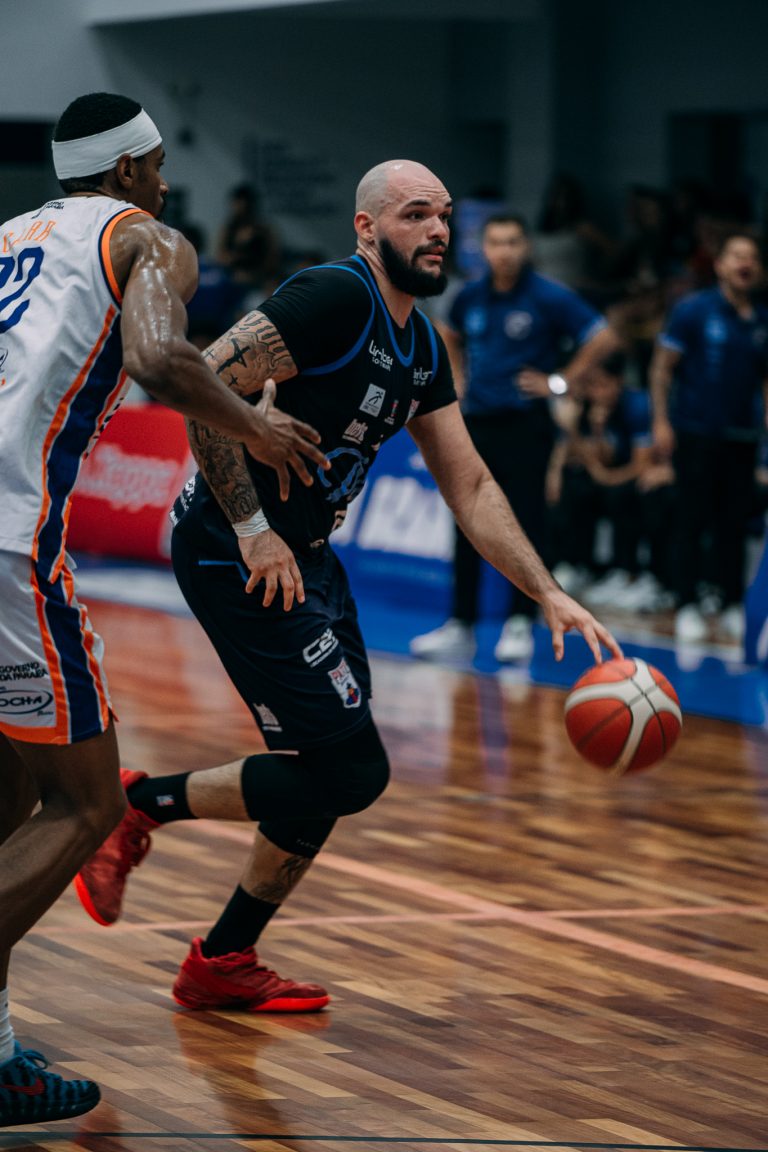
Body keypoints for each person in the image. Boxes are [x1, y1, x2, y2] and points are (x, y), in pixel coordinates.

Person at [74, 160, 622, 1017]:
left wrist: (545, 592)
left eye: (444, 216)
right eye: (415, 215)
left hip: (309, 554)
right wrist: (252, 527)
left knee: (329, 764)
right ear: (367, 228)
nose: (437, 232)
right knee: (353, 770)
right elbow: (199, 380)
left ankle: (224, 958)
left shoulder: (423, 347)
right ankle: (135, 806)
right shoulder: (333, 297)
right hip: (233, 548)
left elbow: (471, 484)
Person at [0, 92, 327, 1129]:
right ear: (131, 171)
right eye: (155, 164)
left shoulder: (9, 237)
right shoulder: (147, 239)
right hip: (11, 543)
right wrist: (257, 431)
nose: (167, 181)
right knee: (87, 806)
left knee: (11, 799)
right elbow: (157, 359)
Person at [409, 212, 620, 664]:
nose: (504, 251)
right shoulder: (470, 295)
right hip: (475, 422)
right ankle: (462, 624)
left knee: (526, 521)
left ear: (526, 248)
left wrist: (560, 382)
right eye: (496, 243)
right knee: (466, 519)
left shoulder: (547, 295)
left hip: (526, 424)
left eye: (512, 242)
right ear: (483, 249)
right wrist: (457, 381)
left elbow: (603, 337)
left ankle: (520, 622)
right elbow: (448, 332)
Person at [650, 233, 768, 644]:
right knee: (691, 519)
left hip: (742, 436)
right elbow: (662, 369)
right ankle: (686, 603)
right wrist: (661, 422)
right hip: (694, 432)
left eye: (751, 257)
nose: (744, 263)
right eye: (736, 255)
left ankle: (730, 601)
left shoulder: (761, 320)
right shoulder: (693, 310)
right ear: (720, 265)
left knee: (732, 523)